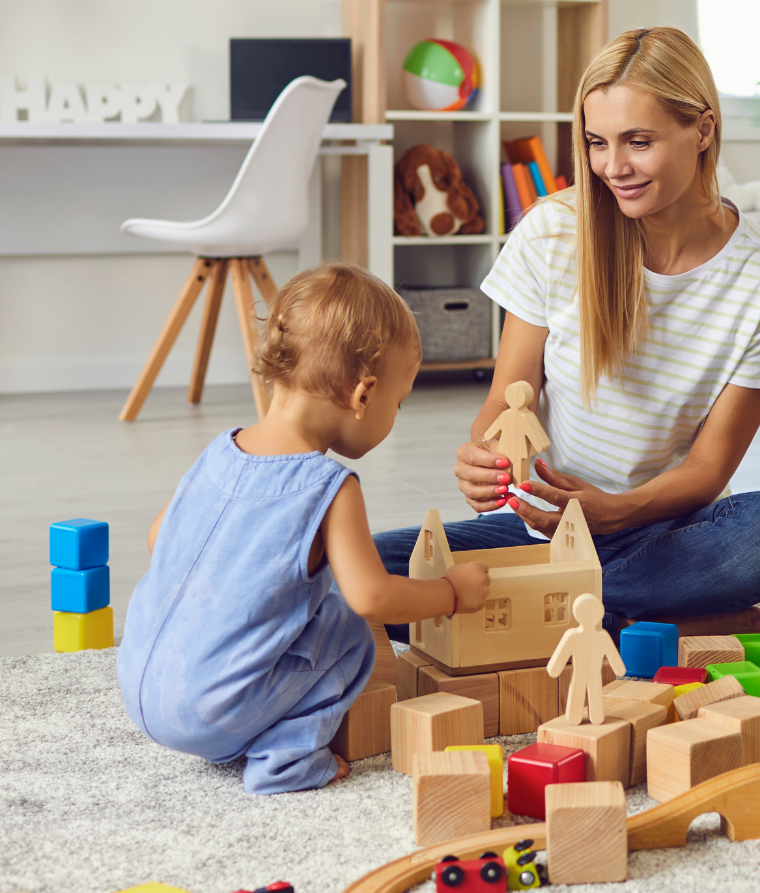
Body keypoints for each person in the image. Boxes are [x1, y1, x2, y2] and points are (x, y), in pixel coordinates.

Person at [375, 27, 760, 638]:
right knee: (357, 571)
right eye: (597, 143)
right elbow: (507, 400)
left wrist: (616, 512)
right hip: (543, 527)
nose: (614, 167)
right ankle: (646, 616)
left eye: (639, 142)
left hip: (666, 532)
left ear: (703, 130)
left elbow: (710, 467)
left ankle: (559, 608)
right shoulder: (553, 231)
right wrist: (487, 456)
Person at [118, 264, 492, 793]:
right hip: (211, 714)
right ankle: (286, 760)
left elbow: (160, 539)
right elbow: (373, 596)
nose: (395, 413)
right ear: (363, 394)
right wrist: (451, 593)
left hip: (139, 686)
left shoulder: (219, 450)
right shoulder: (329, 484)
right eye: (398, 402)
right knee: (348, 632)